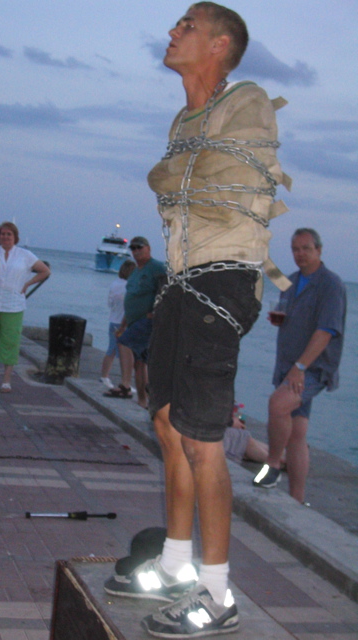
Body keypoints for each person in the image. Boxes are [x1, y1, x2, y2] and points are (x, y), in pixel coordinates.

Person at [104, 4, 291, 637]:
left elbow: (189, 181)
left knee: (202, 439)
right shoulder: (184, 120)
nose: (172, 31)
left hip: (225, 278)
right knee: (165, 421)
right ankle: (176, 562)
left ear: (219, 44)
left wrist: (175, 176)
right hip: (184, 279)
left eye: (187, 25)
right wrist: (179, 176)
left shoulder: (249, 100)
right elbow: (181, 182)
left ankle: (216, 593)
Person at [253, 229, 346, 503]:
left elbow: (326, 331)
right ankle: (297, 499)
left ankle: (272, 465)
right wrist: (281, 320)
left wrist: (300, 367)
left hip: (311, 368)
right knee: (297, 433)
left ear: (319, 250)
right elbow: (287, 314)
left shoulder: (331, 285)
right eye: (295, 249)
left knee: (277, 405)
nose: (300, 254)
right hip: (287, 364)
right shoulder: (291, 282)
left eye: (306, 248)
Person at [0, 221, 50, 392]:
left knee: (10, 341)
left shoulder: (25, 255)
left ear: (15, 237)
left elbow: (45, 271)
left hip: (13, 304)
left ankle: (6, 380)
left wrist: (28, 283)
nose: (5, 237)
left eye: (9, 234)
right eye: (2, 234)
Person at [104, 237, 166, 408]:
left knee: (124, 343)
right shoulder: (135, 272)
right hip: (132, 321)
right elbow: (131, 299)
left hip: (147, 321)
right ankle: (143, 401)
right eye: (133, 248)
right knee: (140, 363)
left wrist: (156, 313)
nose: (136, 250)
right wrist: (123, 325)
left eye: (139, 247)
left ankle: (125, 385)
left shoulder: (157, 267)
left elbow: (169, 290)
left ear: (148, 248)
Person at [100, 259, 136, 389]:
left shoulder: (114, 284)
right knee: (127, 355)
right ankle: (125, 382)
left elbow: (110, 303)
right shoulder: (131, 286)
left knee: (111, 350)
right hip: (124, 323)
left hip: (113, 320)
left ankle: (104, 376)